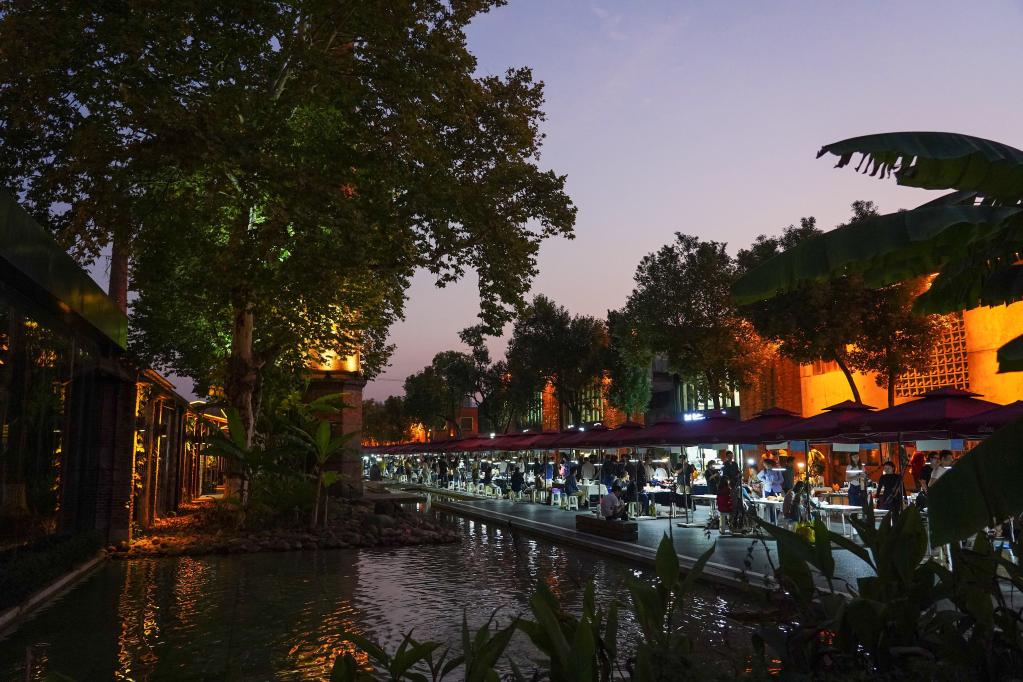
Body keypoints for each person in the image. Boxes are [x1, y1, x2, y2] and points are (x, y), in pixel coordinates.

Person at [757, 458, 785, 522]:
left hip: (776, 489)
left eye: (765, 465)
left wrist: (776, 482)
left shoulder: (777, 470)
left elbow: (782, 480)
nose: (764, 466)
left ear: (770, 464)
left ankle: (775, 518)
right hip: (768, 489)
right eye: (764, 465)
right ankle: (770, 519)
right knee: (769, 505)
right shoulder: (764, 471)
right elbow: (758, 476)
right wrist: (765, 481)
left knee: (777, 504)